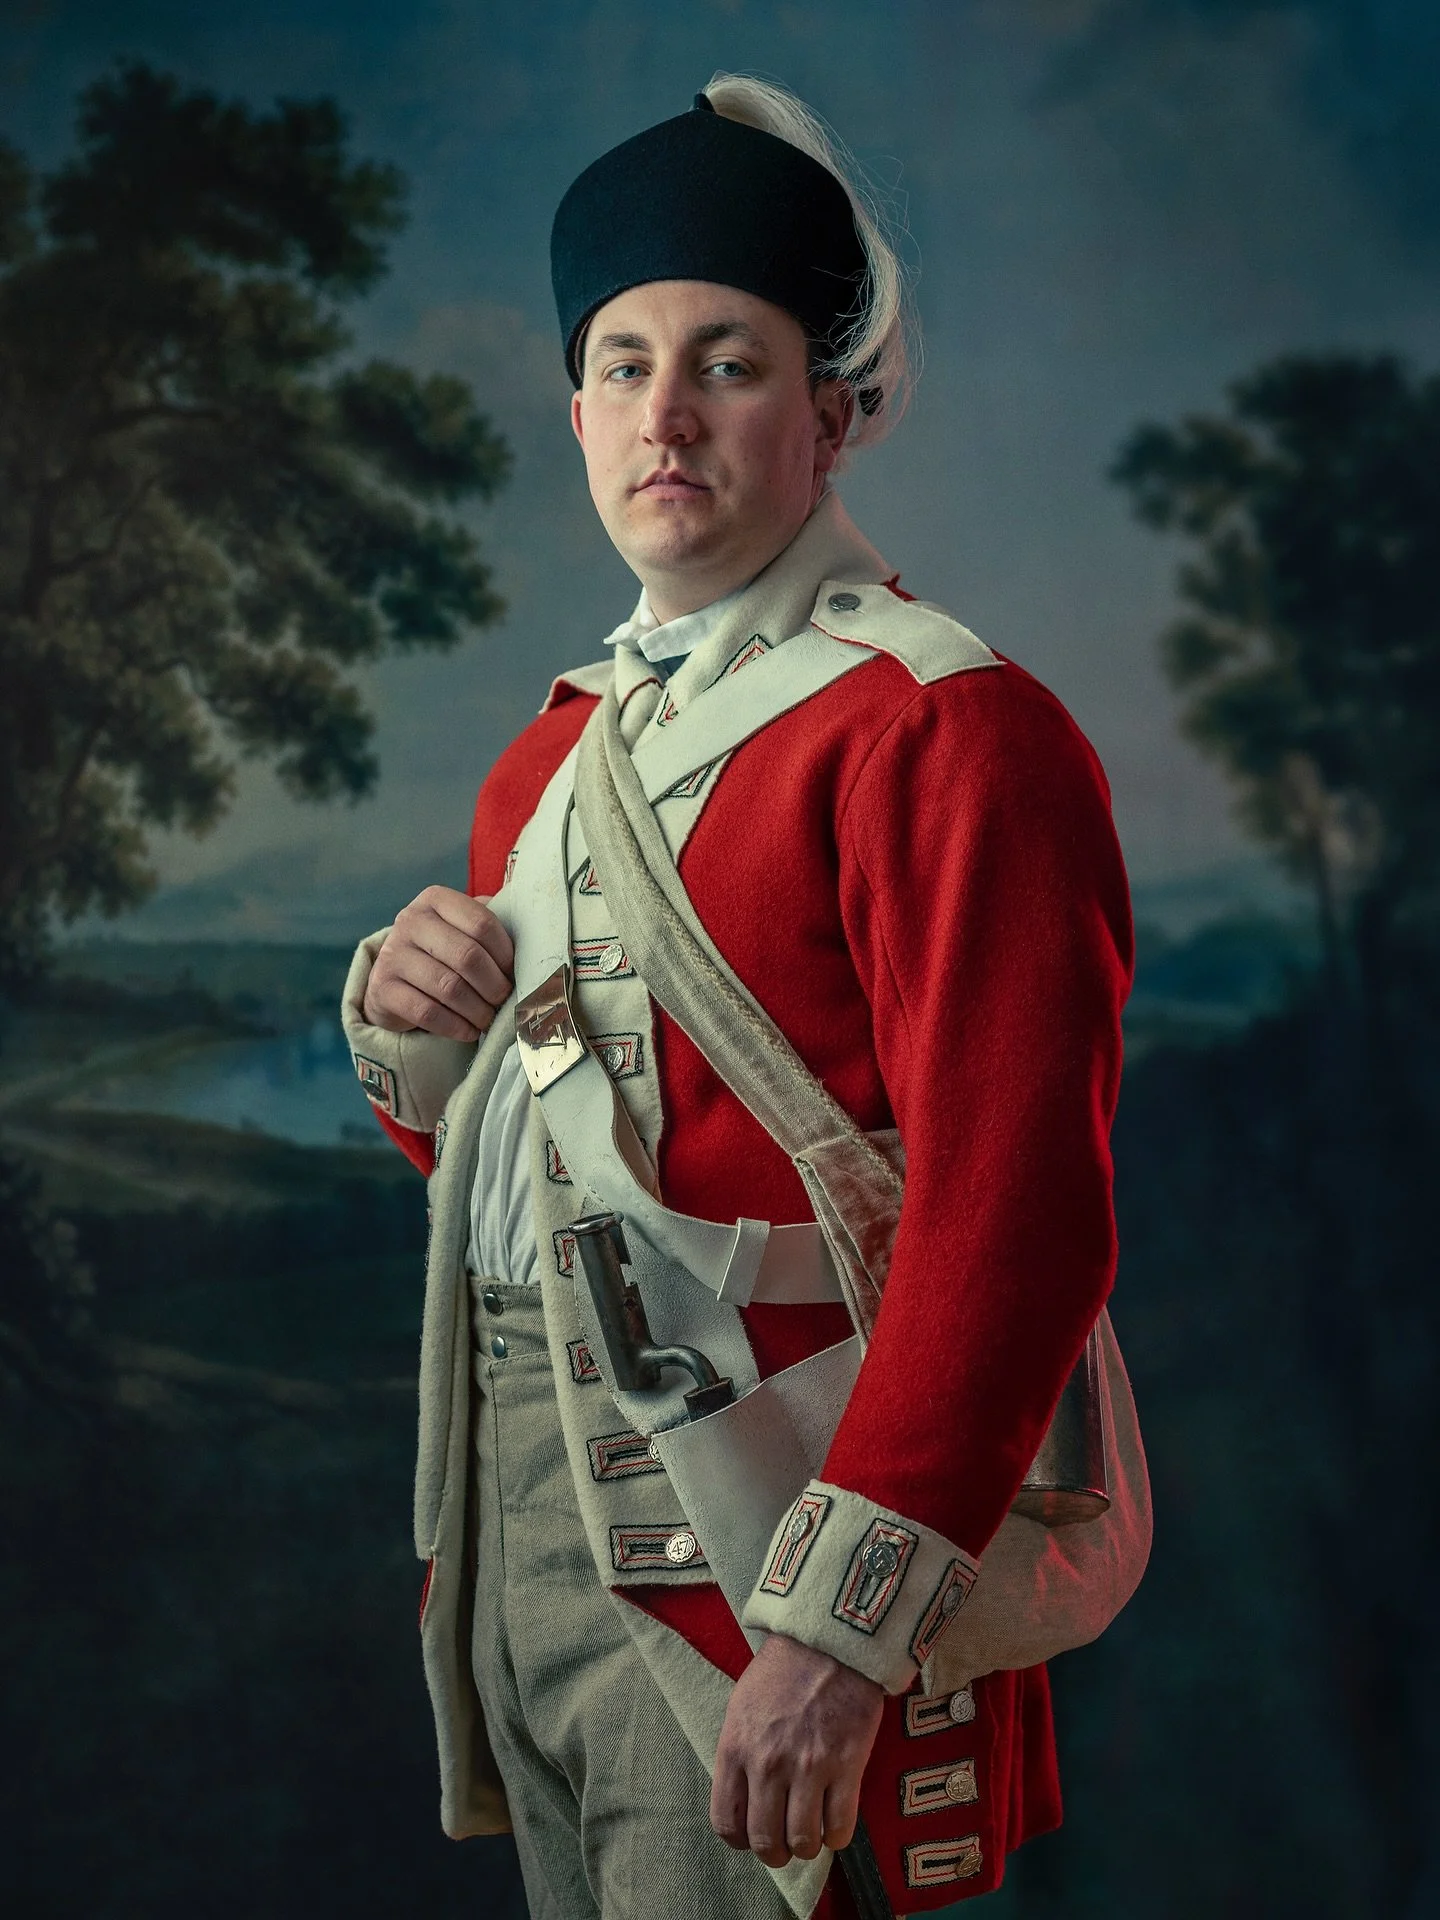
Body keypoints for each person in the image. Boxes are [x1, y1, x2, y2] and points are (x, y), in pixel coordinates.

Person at [341, 74, 1142, 1920]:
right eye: (623, 367)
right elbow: (556, 1186)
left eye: (729, 361)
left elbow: (1016, 1222)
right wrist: (422, 1038)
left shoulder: (946, 727)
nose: (666, 417)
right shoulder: (546, 768)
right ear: (575, 414)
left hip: (769, 1538)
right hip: (528, 1522)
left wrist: (840, 1633)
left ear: (835, 411)